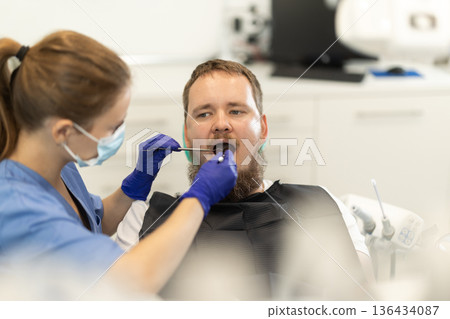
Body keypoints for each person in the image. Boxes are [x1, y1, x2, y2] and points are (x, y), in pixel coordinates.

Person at [0, 32, 237, 299]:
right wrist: (199, 197)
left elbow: (87, 226)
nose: (118, 134)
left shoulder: (59, 164)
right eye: (112, 127)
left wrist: (135, 185)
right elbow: (128, 281)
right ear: (64, 132)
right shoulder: (16, 207)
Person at [116, 59, 374, 300]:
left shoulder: (321, 205)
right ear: (187, 135)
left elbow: (363, 301)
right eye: (204, 114)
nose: (221, 124)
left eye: (236, 111)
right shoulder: (143, 219)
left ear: (262, 129)